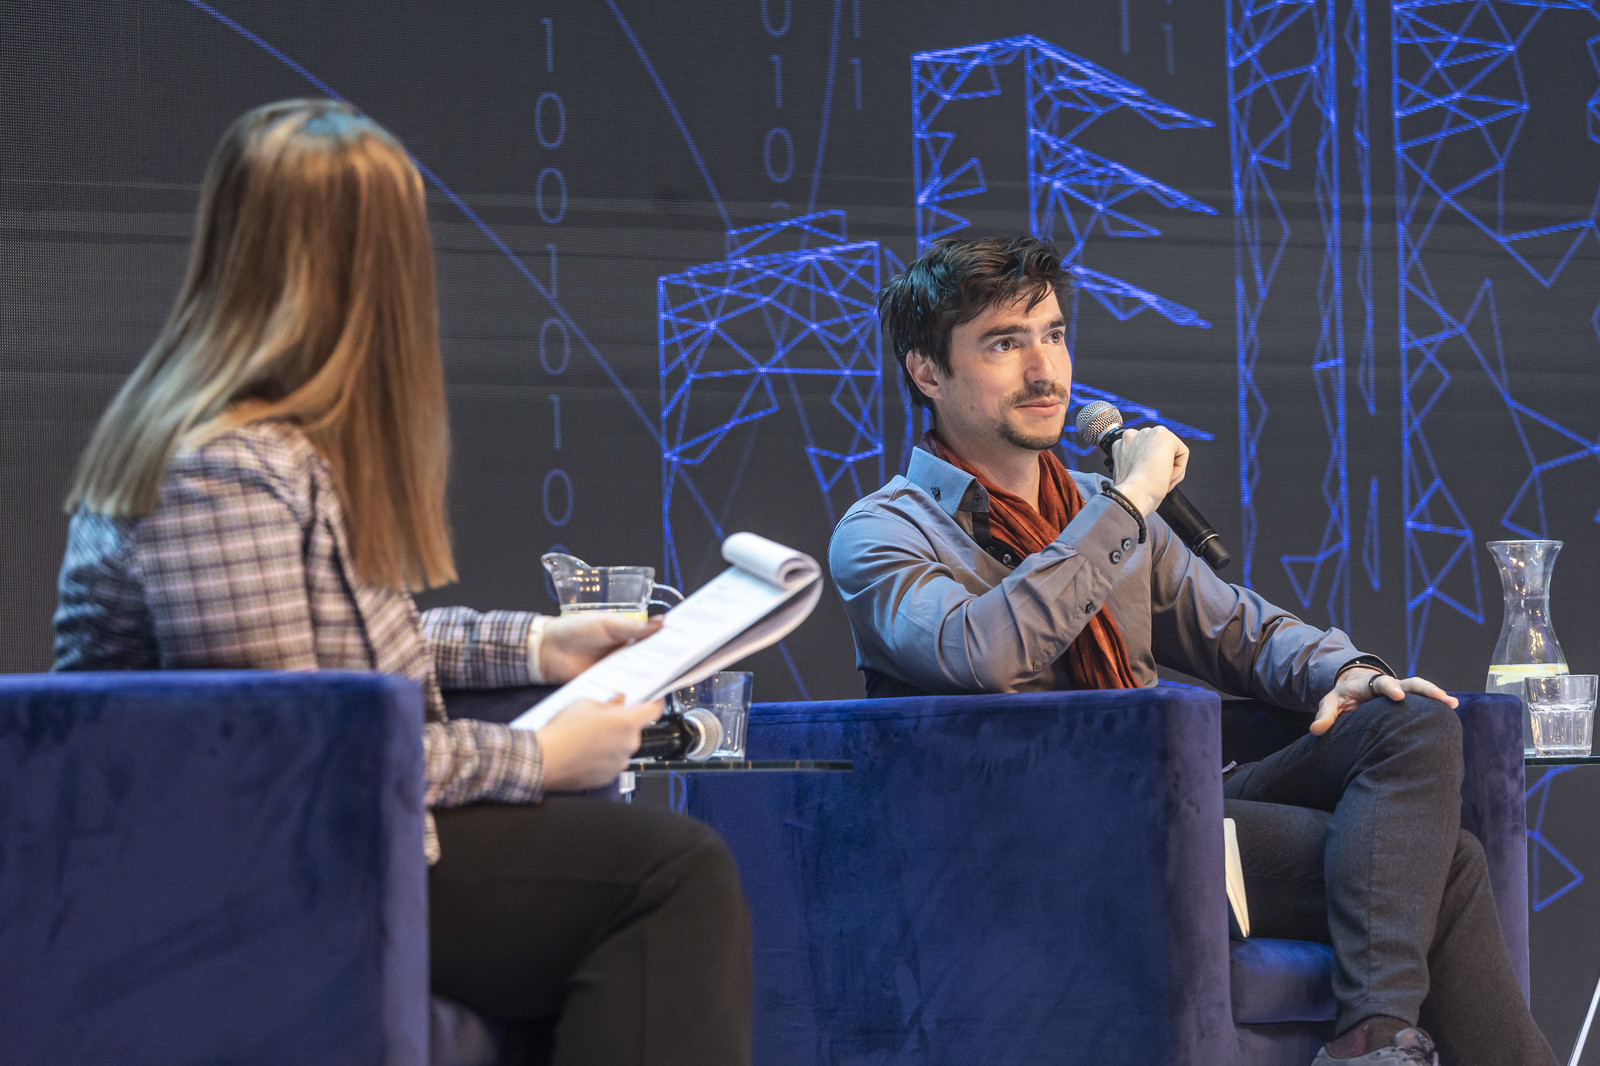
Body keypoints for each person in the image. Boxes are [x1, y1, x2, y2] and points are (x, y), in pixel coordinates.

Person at [52, 99, 751, 1066]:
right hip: (258, 876)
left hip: (320, 842)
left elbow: (347, 643)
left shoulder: (271, 450)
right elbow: (301, 748)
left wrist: (540, 646)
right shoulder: (221, 470)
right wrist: (536, 758)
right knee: (670, 875)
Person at [829, 235, 1555, 1066]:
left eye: (1053, 335)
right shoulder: (884, 531)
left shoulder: (1101, 514)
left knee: (1408, 718)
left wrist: (1348, 671)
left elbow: (1242, 629)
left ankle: (1373, 1040)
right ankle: (1372, 1038)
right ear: (927, 371)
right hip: (1044, 835)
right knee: (1441, 863)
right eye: (1003, 343)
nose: (1043, 369)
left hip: (1174, 802)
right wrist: (1129, 500)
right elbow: (985, 652)